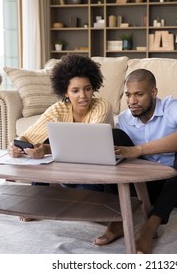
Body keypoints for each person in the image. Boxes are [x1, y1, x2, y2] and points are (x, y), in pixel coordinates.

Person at [94, 68, 177, 253]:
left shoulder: (174, 107)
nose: (132, 101)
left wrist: (139, 150)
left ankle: (151, 225)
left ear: (154, 92)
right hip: (144, 188)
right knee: (114, 136)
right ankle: (116, 222)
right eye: (128, 95)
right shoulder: (124, 119)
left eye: (139, 94)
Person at [8, 54, 114, 205]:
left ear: (93, 88)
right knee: (48, 140)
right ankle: (37, 201)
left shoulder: (102, 105)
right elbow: (27, 137)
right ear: (66, 93)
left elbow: (89, 146)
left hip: (93, 172)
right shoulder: (59, 108)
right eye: (75, 91)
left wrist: (46, 149)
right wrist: (15, 146)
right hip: (65, 172)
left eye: (87, 89)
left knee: (82, 207)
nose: (83, 96)